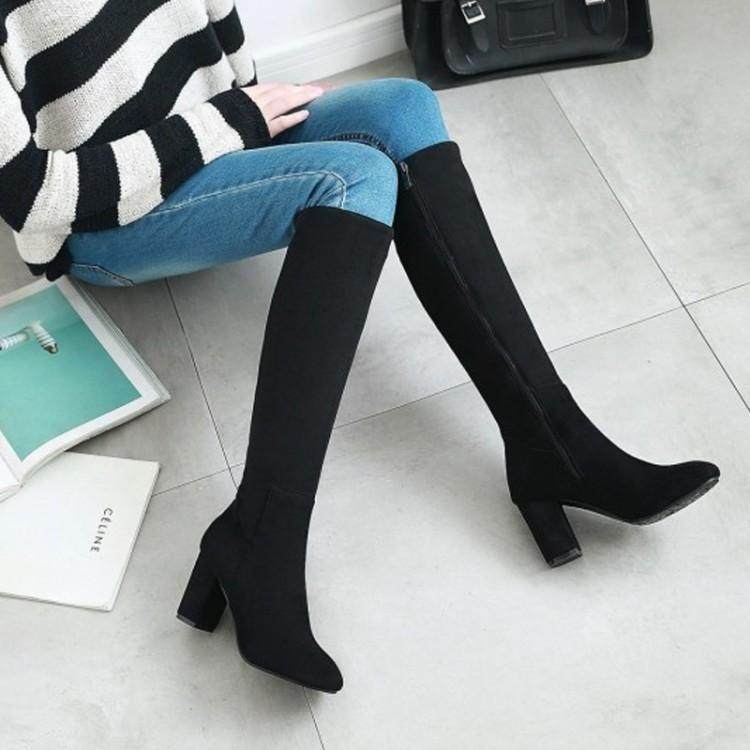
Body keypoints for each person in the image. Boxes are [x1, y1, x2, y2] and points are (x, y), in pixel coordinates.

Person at [0, 1, 719, 694]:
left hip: (213, 136)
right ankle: (261, 534)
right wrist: (232, 125)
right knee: (352, 180)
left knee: (403, 108)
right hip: (106, 219)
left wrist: (249, 117)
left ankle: (553, 443)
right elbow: (35, 198)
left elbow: (213, 20)